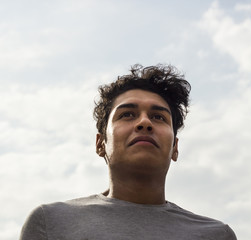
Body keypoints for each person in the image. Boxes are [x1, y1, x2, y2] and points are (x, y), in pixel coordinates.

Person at [20, 64, 237, 239]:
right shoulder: (50, 223)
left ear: (175, 148)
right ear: (100, 144)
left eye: (159, 117)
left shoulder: (216, 234)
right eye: (127, 115)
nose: (144, 122)